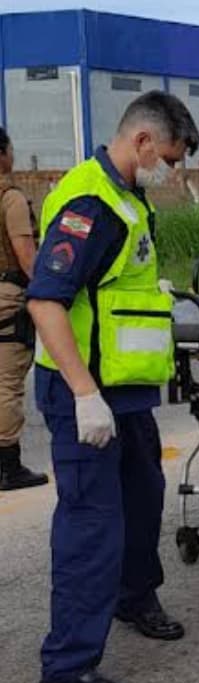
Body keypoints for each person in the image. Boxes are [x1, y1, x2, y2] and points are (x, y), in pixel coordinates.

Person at [26, 91, 199, 683]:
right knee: (92, 524)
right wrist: (83, 395)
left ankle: (134, 596)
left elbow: (113, 288)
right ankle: (67, 666)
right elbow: (46, 301)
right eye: (170, 159)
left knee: (144, 496)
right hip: (85, 392)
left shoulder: (130, 195)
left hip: (124, 391)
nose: (171, 172)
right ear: (143, 142)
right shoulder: (89, 202)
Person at [0, 126, 48, 491]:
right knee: (6, 383)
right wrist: (47, 293)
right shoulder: (10, 198)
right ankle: (7, 467)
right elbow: (26, 255)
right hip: (7, 295)